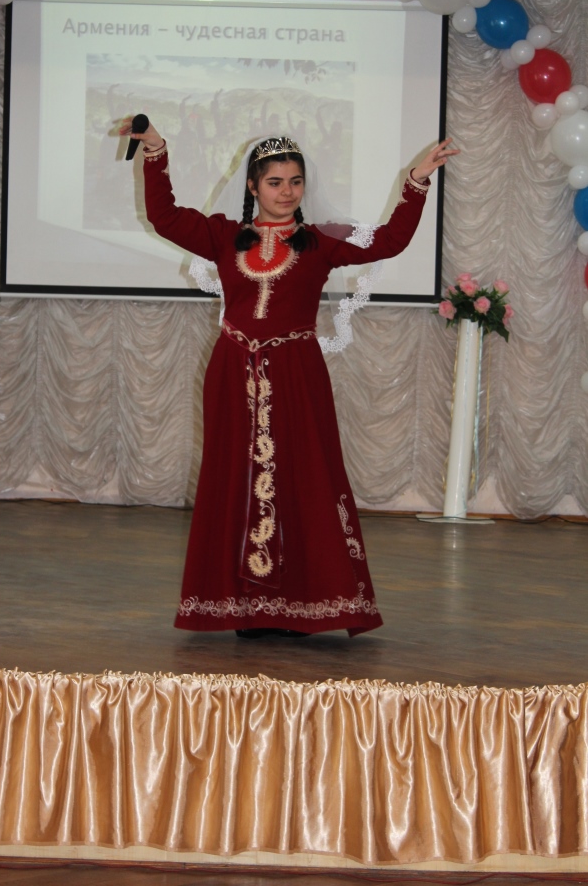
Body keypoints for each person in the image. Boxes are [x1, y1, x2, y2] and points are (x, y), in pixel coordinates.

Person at [120, 119, 457, 638]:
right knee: (235, 480)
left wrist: (417, 180)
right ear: (253, 186)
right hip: (233, 372)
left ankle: (302, 604)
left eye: (295, 182)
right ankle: (243, 606)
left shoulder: (321, 242)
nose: (287, 192)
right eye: (275, 182)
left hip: (297, 374)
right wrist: (156, 150)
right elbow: (164, 217)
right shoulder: (222, 235)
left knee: (304, 480)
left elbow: (390, 241)